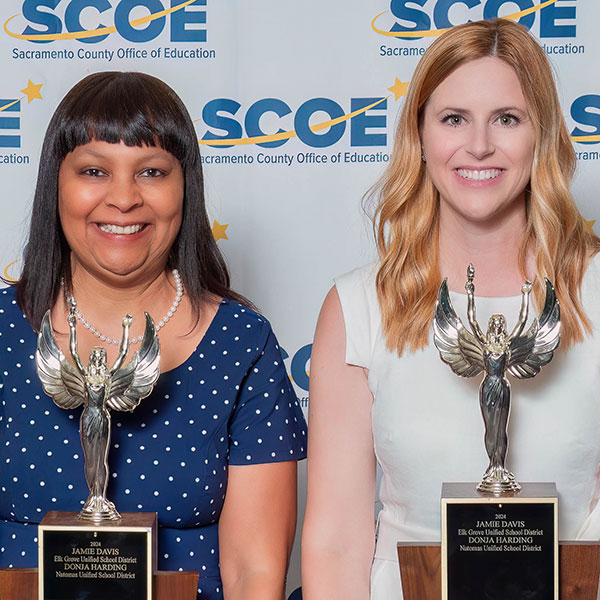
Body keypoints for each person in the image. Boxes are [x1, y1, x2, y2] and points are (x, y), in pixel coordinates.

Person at [302, 18, 600, 599]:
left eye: (507, 119)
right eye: (454, 118)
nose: (480, 145)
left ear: (542, 134)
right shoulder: (357, 306)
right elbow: (336, 539)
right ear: (420, 134)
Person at [0, 71, 306, 600]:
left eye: (152, 172)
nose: (123, 199)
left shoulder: (242, 342)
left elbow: (254, 571)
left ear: (185, 187)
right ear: (57, 184)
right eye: (94, 170)